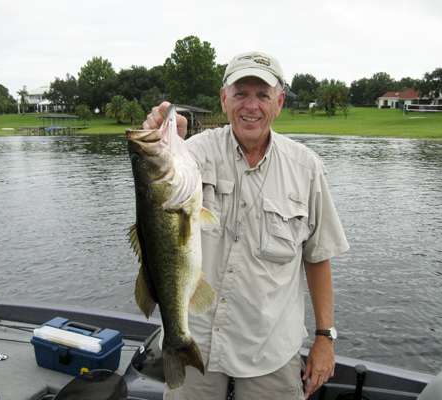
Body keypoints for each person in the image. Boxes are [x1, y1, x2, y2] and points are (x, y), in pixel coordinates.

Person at [142, 51, 349, 400]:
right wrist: (164, 137)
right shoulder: (191, 154)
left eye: (262, 95)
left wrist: (324, 337)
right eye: (240, 94)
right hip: (196, 342)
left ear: (279, 103)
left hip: (270, 349)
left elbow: (318, 256)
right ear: (224, 100)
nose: (250, 106)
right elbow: (156, 184)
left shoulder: (307, 168)